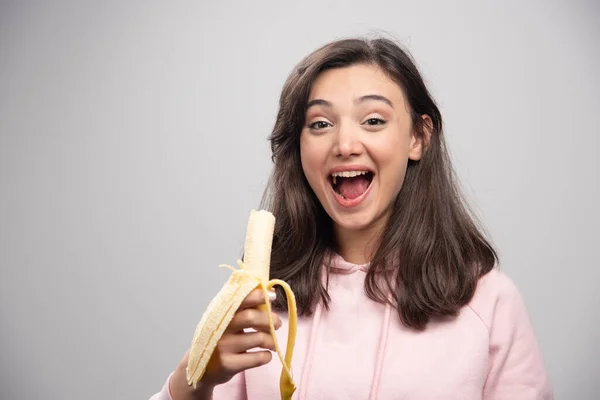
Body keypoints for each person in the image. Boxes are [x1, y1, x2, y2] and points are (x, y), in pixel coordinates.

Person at [150, 37, 553, 400]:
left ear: (418, 138)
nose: (344, 144)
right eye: (320, 124)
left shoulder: (489, 301)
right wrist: (192, 382)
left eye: (373, 120)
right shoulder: (261, 302)